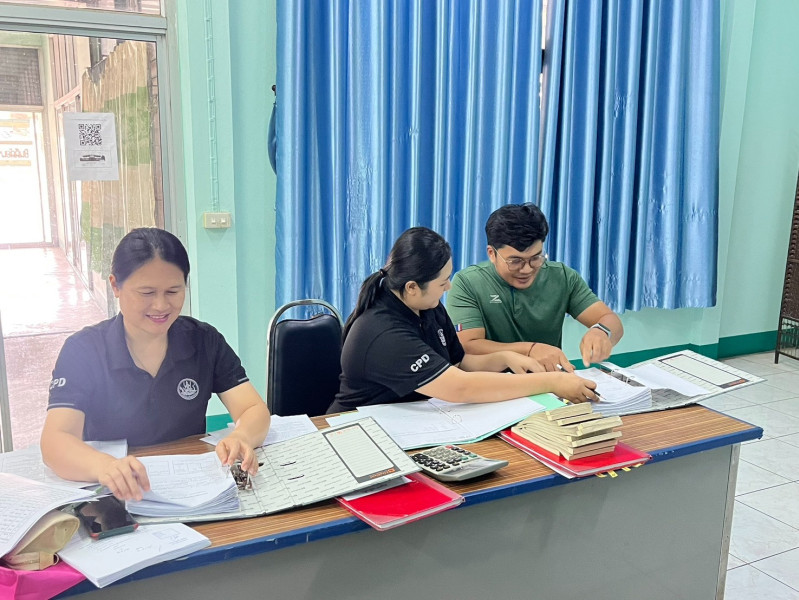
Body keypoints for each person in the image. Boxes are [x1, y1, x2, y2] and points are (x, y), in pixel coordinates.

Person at [41, 228, 271, 501]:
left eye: (173, 291)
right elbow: (56, 440)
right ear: (115, 286)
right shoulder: (83, 350)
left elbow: (253, 408)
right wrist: (103, 466)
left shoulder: (203, 340)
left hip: (192, 491)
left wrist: (242, 436)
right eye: (147, 292)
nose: (161, 306)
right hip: (116, 494)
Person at [327, 226, 597, 414]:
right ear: (412, 287)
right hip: (361, 430)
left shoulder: (426, 305)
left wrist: (505, 358)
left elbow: (459, 363)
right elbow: (460, 386)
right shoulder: (383, 332)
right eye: (443, 282)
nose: (449, 287)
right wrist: (552, 382)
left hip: (414, 418)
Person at [446, 203, 624, 372]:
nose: (527, 269)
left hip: (549, 381)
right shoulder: (468, 282)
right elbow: (468, 346)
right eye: (515, 261)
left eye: (536, 258)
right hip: (490, 384)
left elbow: (609, 319)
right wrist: (530, 349)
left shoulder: (562, 277)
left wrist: (601, 331)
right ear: (492, 254)